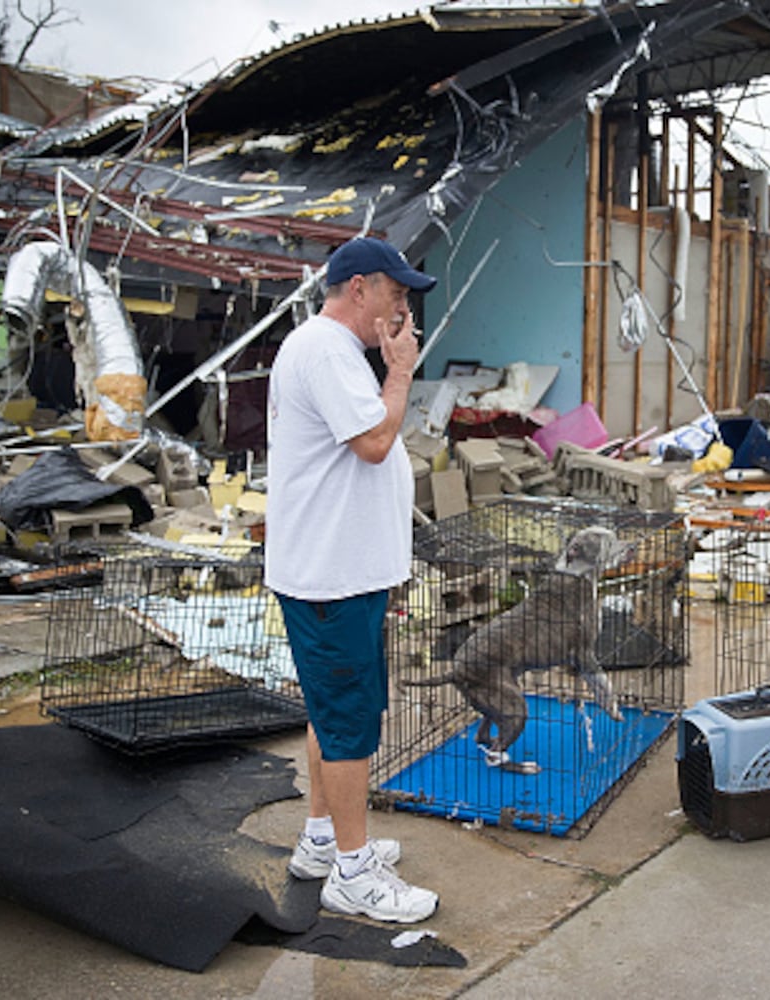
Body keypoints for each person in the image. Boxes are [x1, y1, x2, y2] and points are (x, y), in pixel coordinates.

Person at [264, 236, 438, 922]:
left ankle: (320, 840)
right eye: (395, 296)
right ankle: (352, 872)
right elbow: (373, 444)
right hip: (329, 577)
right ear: (359, 287)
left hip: (338, 572)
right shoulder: (328, 350)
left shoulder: (328, 350)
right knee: (350, 722)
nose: (400, 312)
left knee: (332, 713)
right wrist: (400, 373)